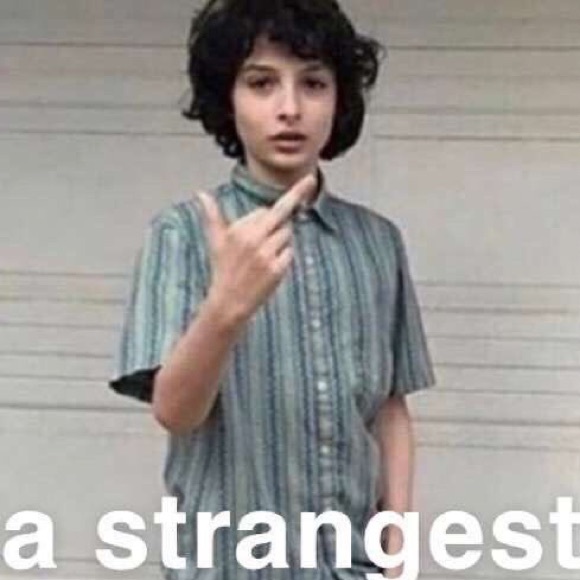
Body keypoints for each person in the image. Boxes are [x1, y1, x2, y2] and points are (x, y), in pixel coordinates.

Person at [108, 0, 435, 578]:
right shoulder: (182, 233)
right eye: (261, 83)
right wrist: (225, 309)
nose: (290, 108)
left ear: (339, 99)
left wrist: (397, 554)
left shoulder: (378, 241)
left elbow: (390, 408)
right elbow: (175, 413)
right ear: (228, 98)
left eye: (313, 83)